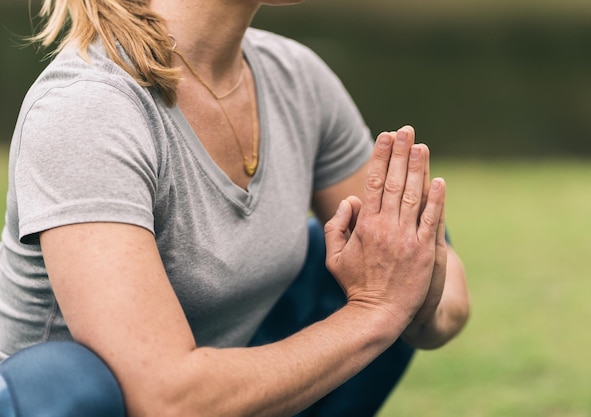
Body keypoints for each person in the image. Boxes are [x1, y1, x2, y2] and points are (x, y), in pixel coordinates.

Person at [0, 0, 470, 416]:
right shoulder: (88, 109)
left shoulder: (296, 77)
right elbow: (168, 399)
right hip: (71, 401)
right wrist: (376, 312)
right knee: (67, 376)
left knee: (387, 243)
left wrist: (406, 288)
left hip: (213, 398)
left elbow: (445, 296)